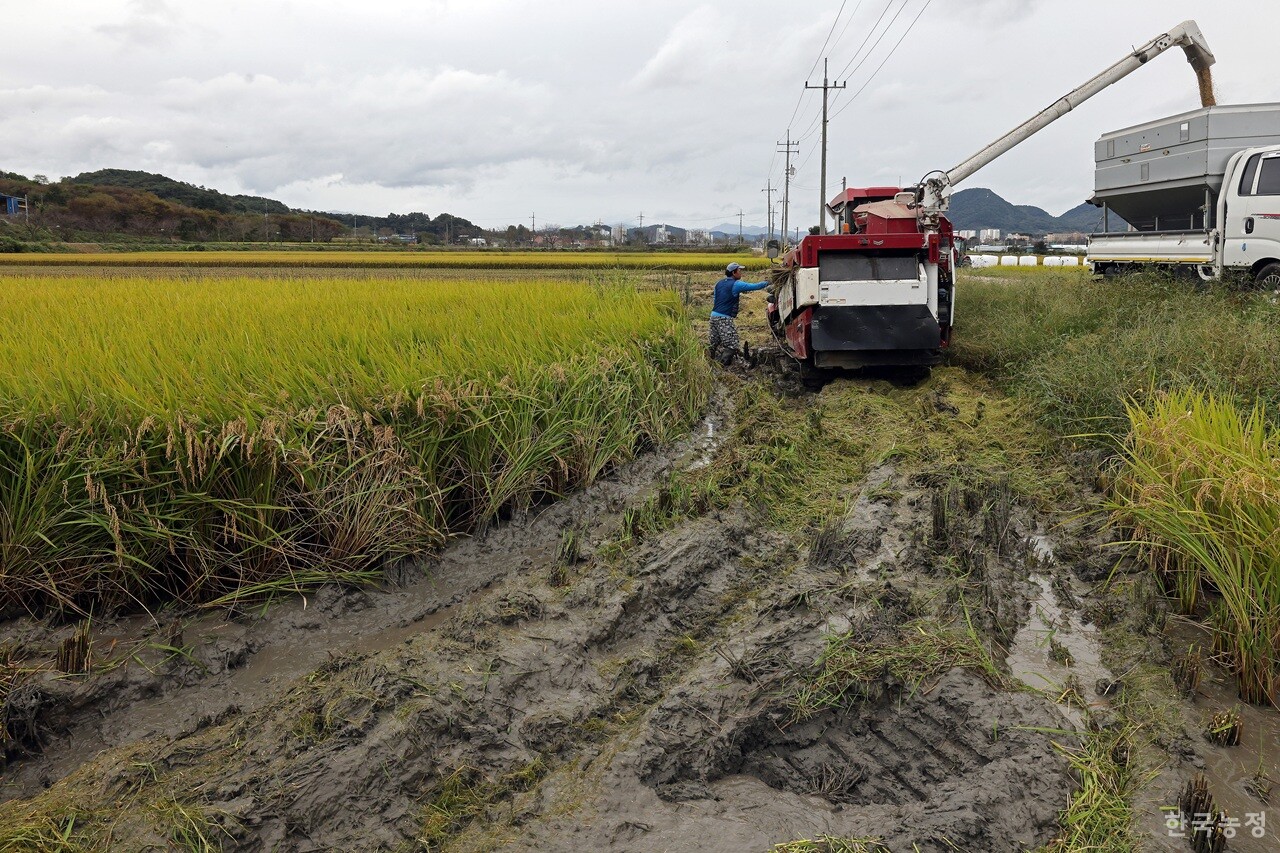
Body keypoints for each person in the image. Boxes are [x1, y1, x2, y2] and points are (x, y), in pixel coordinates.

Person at [709, 262, 770, 366]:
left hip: (713, 316)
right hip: (724, 318)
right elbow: (753, 286)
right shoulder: (736, 284)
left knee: (714, 343)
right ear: (734, 272)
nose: (741, 273)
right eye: (739, 270)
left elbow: (715, 299)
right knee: (732, 344)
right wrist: (767, 283)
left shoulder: (718, 283)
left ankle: (710, 363)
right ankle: (723, 367)